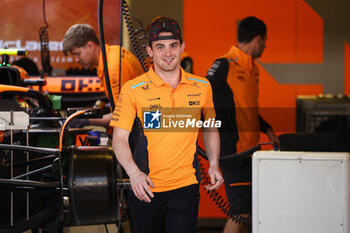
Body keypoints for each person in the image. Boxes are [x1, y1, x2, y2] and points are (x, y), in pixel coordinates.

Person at [110, 17, 224, 233]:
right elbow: (119, 139)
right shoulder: (132, 89)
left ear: (182, 47)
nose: (168, 53)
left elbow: (210, 128)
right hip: (145, 188)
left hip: (185, 187)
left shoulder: (202, 87)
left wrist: (214, 163)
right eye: (160, 47)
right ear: (150, 51)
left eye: (173, 45)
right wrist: (134, 173)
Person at [206, 16, 280, 233]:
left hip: (251, 152)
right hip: (232, 153)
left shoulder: (253, 69)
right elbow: (200, 96)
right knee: (241, 213)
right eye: (265, 41)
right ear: (258, 39)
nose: (265, 45)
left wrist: (267, 129)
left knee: (250, 213)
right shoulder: (224, 64)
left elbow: (247, 110)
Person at [62, 24, 144, 127]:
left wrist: (87, 121)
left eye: (78, 54)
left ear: (90, 46)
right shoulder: (112, 54)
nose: (77, 60)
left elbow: (123, 116)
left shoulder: (113, 68)